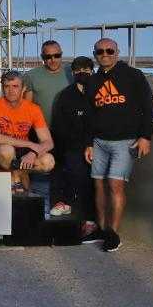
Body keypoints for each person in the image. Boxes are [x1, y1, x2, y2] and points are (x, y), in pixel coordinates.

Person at [84, 38, 153, 252]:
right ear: (95, 54)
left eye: (109, 50)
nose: (104, 54)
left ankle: (112, 234)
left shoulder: (133, 75)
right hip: (98, 141)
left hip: (125, 141)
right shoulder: (93, 81)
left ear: (117, 52)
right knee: (98, 185)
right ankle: (101, 228)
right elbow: (89, 115)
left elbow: (148, 108)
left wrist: (146, 136)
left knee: (115, 184)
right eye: (100, 51)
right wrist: (88, 143)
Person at [0, 70, 56, 194]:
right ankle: (19, 180)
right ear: (2, 88)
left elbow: (48, 142)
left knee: (48, 161)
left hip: (22, 152)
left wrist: (33, 152)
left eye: (15, 86)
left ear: (23, 88)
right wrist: (30, 144)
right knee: (7, 150)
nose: (11, 90)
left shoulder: (33, 109)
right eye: (7, 86)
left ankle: (18, 177)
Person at [49, 57, 98, 229]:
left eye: (86, 70)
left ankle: (93, 218)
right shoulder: (65, 96)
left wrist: (92, 144)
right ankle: (66, 206)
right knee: (71, 168)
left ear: (92, 71)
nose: (82, 73)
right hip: (74, 147)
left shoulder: (99, 93)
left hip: (99, 145)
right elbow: (60, 127)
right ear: (72, 73)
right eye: (78, 70)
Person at [24, 40, 72, 125]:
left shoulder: (72, 73)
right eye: (48, 57)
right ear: (42, 57)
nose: (53, 60)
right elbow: (27, 107)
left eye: (57, 56)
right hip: (40, 129)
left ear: (61, 54)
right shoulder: (31, 76)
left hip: (68, 129)